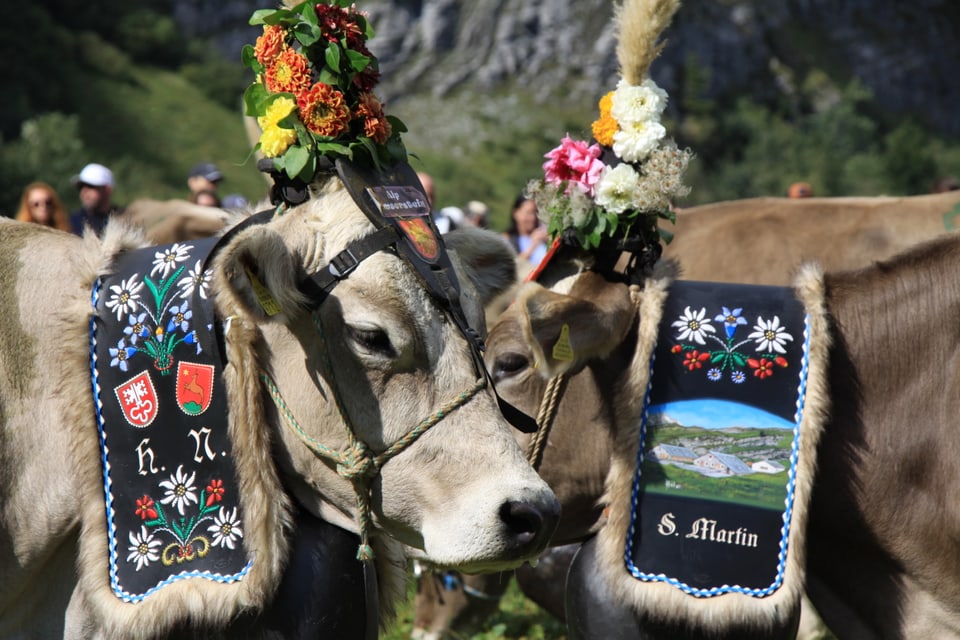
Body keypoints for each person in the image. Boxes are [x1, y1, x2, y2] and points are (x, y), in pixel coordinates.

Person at [69, 163, 123, 237]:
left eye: (91, 186)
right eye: (80, 187)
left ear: (108, 189)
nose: (84, 191)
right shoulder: (71, 223)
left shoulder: (126, 218)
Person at [504, 193, 549, 266]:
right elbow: (511, 267)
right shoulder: (506, 239)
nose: (533, 218)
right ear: (516, 213)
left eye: (535, 213)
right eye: (528, 213)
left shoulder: (544, 238)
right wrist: (533, 246)